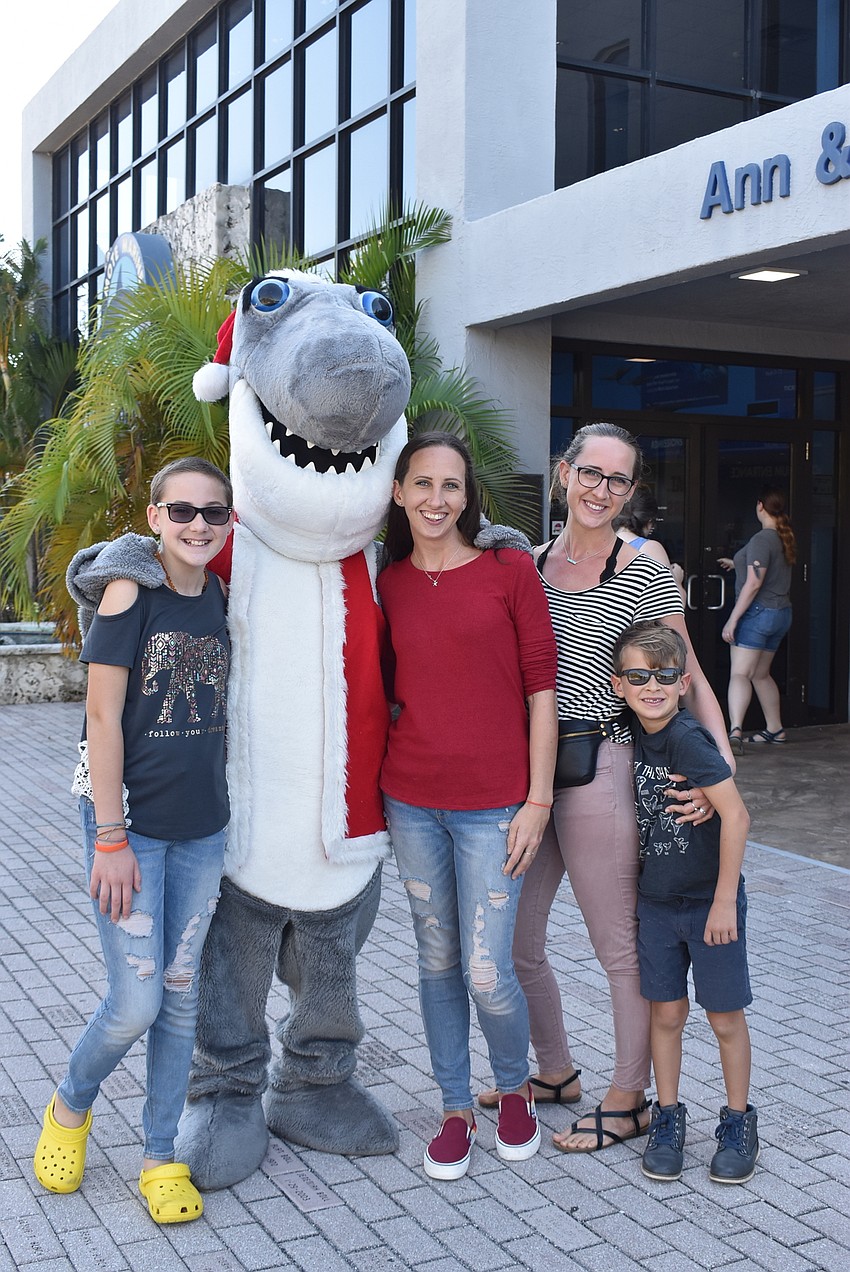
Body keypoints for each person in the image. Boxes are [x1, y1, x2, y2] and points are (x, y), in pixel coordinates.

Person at [479, 421, 734, 1153]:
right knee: (514, 941)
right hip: (530, 775)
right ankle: (554, 1072)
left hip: (606, 767)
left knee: (616, 945)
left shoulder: (644, 564)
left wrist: (720, 761)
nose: (602, 490)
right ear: (564, 473)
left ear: (630, 491)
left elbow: (683, 670)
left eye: (618, 480)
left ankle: (630, 1097)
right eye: (591, 473)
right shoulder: (526, 562)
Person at [33, 457, 233, 1223]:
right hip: (130, 827)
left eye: (213, 512)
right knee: (134, 1002)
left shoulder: (216, 592)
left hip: (203, 828)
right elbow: (100, 718)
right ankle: (70, 1106)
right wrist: (111, 837)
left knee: (179, 1000)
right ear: (153, 517)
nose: (197, 525)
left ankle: (159, 1155)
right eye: (181, 510)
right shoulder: (131, 591)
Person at [378, 431, 558, 1180]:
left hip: (496, 807)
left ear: (468, 495)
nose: (436, 499)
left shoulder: (510, 571)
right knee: (437, 960)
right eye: (421, 484)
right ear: (398, 493)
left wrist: (538, 800)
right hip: (412, 800)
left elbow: (541, 692)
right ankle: (455, 1108)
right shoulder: (390, 583)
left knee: (487, 969)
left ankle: (513, 1091)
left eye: (450, 486)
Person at [611, 620, 757, 1184]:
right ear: (620, 685)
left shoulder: (687, 739)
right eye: (639, 676)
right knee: (666, 1014)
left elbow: (738, 816)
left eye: (665, 676)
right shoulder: (629, 730)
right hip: (657, 905)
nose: (652, 685)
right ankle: (667, 1118)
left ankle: (739, 1122)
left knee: (723, 1018)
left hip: (707, 904)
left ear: (683, 681)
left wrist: (724, 901)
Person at [719, 489, 796, 751]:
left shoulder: (763, 538)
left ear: (760, 506)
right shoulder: (782, 537)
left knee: (740, 673)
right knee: (761, 674)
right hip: (780, 614)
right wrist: (736, 563)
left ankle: (735, 733)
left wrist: (732, 619)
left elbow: (754, 582)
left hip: (759, 614)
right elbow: (763, 570)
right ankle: (775, 729)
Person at [613, 484, 685, 592]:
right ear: (649, 521)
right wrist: (678, 582)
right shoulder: (649, 548)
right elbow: (670, 605)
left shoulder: (601, 543)